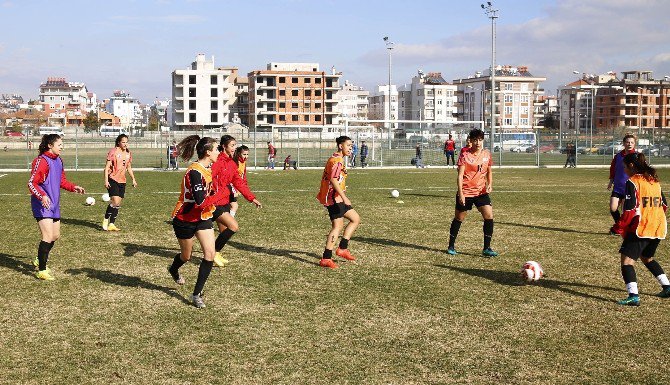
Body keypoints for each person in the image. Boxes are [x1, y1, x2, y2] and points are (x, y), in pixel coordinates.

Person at [168, 135, 224, 308]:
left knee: (210, 254)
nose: (219, 152)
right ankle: (173, 269)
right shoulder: (194, 172)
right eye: (216, 149)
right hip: (185, 218)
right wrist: (222, 195)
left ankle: (196, 294)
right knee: (186, 256)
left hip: (203, 217)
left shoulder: (209, 169)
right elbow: (200, 201)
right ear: (208, 152)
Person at [611, 152, 670, 306]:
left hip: (643, 228)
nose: (624, 170)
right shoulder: (654, 180)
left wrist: (619, 227)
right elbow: (664, 205)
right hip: (659, 227)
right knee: (647, 257)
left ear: (631, 166)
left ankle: (633, 296)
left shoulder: (633, 182)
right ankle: (667, 286)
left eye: (624, 167)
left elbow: (629, 210)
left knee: (627, 262)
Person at [28, 134, 85, 280]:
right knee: (47, 236)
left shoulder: (59, 160)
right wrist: (42, 196)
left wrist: (73, 187)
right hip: (42, 204)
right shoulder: (41, 161)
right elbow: (32, 183)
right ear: (50, 145)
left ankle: (39, 258)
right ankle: (42, 270)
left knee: (55, 236)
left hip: (54, 204)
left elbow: (61, 181)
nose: (62, 147)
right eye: (59, 144)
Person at [211, 135, 262, 267]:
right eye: (232, 145)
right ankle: (213, 253)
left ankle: (215, 253)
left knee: (224, 230)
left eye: (235, 145)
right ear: (224, 146)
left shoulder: (231, 163)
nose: (234, 148)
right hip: (213, 203)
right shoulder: (216, 161)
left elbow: (239, 183)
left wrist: (252, 198)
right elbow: (206, 178)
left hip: (224, 201)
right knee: (233, 227)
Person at [447, 129, 497, 257]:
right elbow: (460, 176)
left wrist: (490, 184)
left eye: (480, 140)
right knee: (459, 218)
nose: (478, 143)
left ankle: (487, 248)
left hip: (481, 192)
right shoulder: (465, 155)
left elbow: (489, 171)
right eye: (475, 140)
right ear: (471, 140)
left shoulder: (487, 154)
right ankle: (451, 245)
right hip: (466, 192)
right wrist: (461, 193)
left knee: (489, 216)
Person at [316, 136, 361, 269]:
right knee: (337, 227)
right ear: (341, 146)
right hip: (334, 199)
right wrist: (344, 196)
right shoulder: (337, 161)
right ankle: (326, 257)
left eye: (351, 146)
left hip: (337, 197)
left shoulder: (337, 159)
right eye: (348, 146)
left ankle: (342, 248)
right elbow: (334, 180)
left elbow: (337, 179)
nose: (350, 148)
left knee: (355, 219)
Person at [102, 134, 137, 231]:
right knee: (115, 201)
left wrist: (133, 179)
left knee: (118, 204)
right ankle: (105, 220)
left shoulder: (128, 153)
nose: (125, 144)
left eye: (126, 142)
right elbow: (106, 167)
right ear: (119, 142)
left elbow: (129, 167)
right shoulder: (113, 152)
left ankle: (112, 224)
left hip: (122, 180)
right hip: (112, 179)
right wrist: (106, 180)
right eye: (123, 142)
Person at [608, 134, 637, 235]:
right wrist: (611, 180)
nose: (629, 144)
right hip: (618, 187)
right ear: (624, 143)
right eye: (627, 142)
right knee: (613, 208)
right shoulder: (618, 156)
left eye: (632, 142)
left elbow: (642, 170)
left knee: (626, 212)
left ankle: (620, 228)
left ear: (634, 144)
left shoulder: (637, 156)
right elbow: (613, 169)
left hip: (630, 188)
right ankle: (620, 225)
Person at [229, 144, 250, 218]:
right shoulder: (234, 162)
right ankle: (229, 223)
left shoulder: (243, 162)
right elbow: (232, 177)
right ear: (239, 153)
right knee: (234, 206)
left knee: (230, 206)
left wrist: (244, 186)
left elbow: (243, 175)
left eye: (247, 154)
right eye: (244, 154)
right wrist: (235, 189)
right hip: (231, 186)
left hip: (237, 187)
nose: (246, 156)